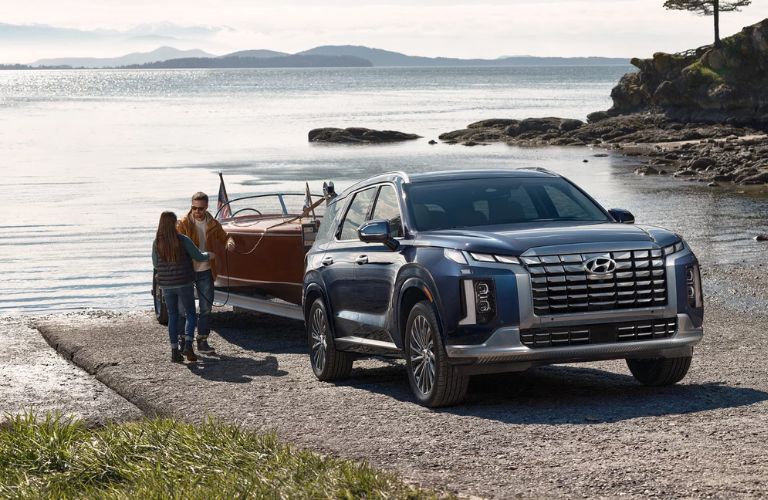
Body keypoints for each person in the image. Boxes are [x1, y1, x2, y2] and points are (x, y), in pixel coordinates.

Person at [176, 192, 235, 353]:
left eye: (200, 208)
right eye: (194, 208)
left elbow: (225, 237)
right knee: (182, 309)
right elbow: (175, 244)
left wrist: (230, 243)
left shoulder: (213, 224)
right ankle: (183, 341)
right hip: (186, 272)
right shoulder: (182, 224)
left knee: (206, 308)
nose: (197, 211)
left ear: (206, 207)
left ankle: (202, 342)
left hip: (206, 271)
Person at [152, 211, 212, 363]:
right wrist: (209, 255)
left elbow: (155, 264)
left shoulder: (156, 242)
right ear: (174, 223)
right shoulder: (183, 239)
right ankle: (188, 345)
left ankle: (174, 352)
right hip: (184, 283)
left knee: (173, 316)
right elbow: (198, 256)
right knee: (190, 314)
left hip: (166, 285)